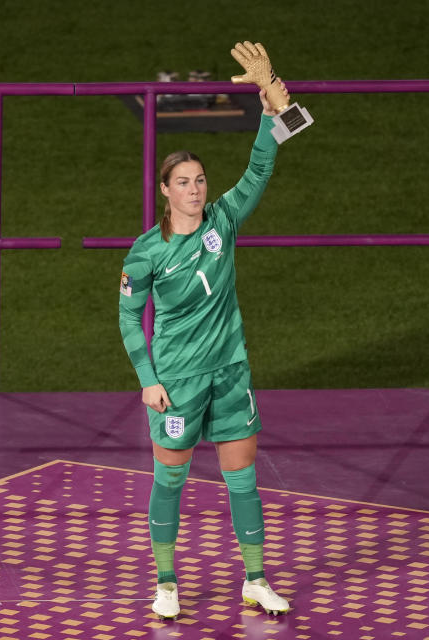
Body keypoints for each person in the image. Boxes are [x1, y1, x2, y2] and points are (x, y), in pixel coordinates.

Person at [118, 82, 292, 620]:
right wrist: (148, 377)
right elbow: (128, 316)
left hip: (230, 373)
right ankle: (166, 583)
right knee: (170, 479)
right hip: (177, 383)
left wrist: (271, 113)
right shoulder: (146, 251)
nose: (196, 190)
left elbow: (259, 171)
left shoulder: (223, 220)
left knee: (243, 479)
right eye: (184, 183)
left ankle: (256, 580)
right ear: (164, 191)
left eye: (200, 181)